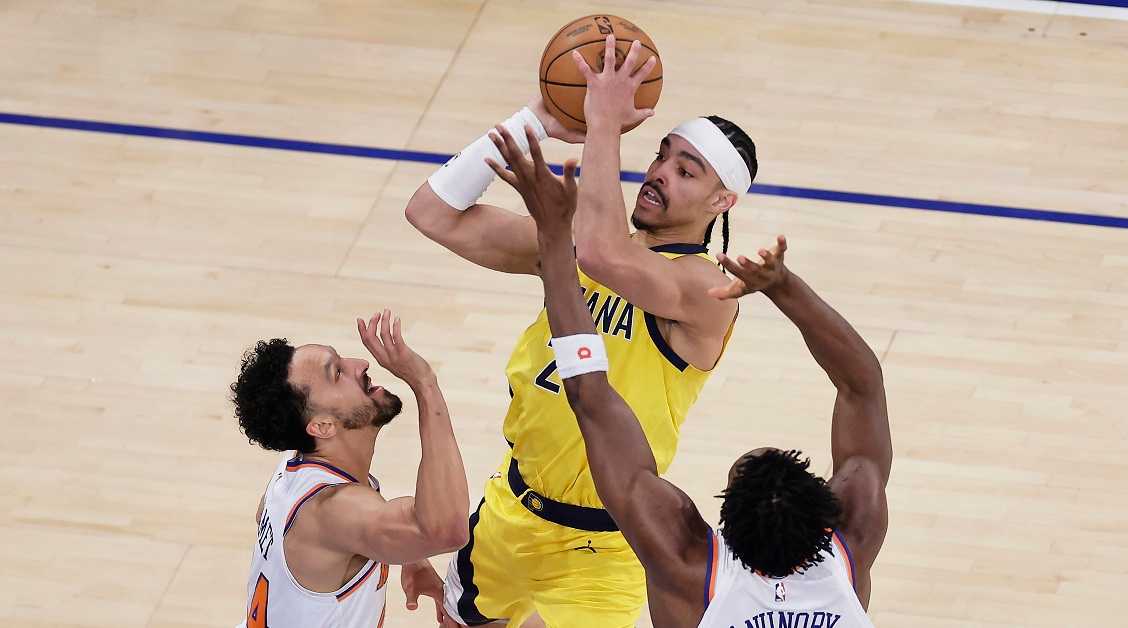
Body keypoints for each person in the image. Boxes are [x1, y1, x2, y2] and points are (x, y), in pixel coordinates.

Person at [405, 35, 754, 627]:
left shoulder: (706, 290)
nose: (659, 174)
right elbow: (431, 213)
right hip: (511, 509)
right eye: (662, 156)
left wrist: (602, 123)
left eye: (685, 171)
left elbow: (601, 252)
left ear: (721, 200)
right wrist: (535, 121)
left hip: (604, 546)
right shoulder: (574, 243)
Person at [488, 122, 891, 626]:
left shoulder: (692, 569)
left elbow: (591, 398)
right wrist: (785, 288)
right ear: (828, 519)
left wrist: (554, 239)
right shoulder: (847, 555)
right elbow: (863, 385)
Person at [231, 310, 470, 627]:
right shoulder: (331, 509)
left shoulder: (296, 467)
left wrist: (406, 550)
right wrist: (425, 384)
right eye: (337, 373)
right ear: (322, 426)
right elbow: (446, 530)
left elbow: (289, 521)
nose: (360, 364)